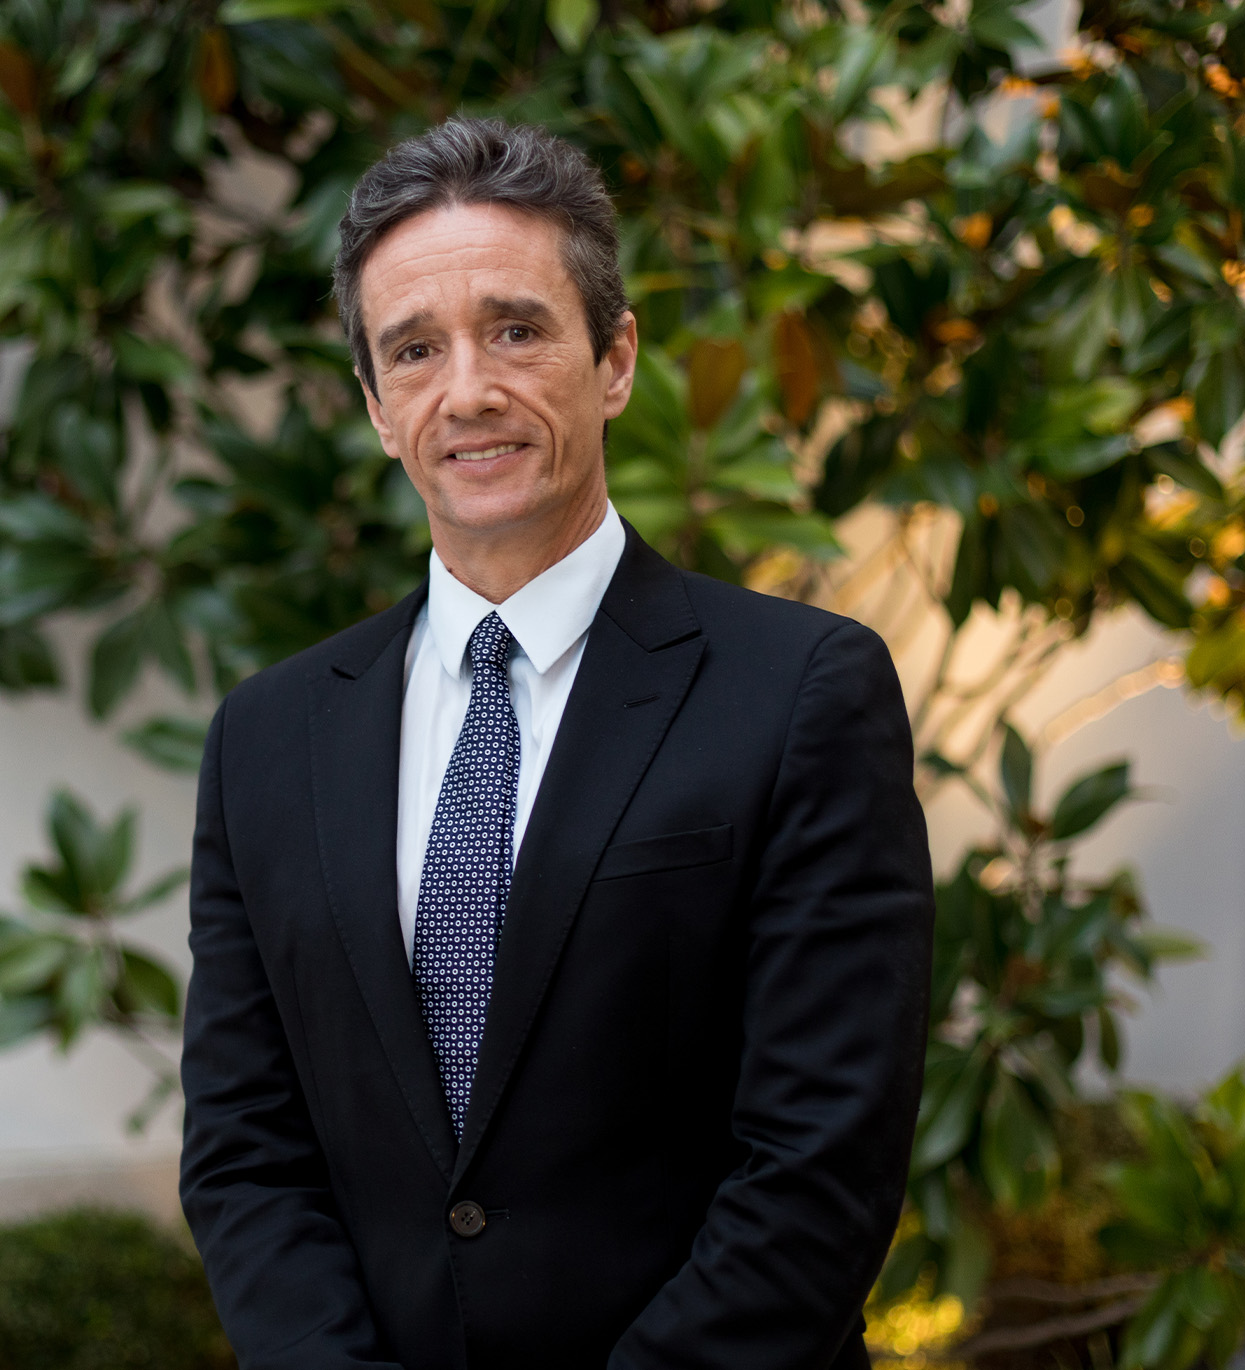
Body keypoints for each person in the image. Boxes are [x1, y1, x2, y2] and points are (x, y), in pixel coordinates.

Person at [178, 117, 933, 1370]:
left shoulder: (802, 690)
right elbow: (245, 1150)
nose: (468, 389)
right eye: (414, 349)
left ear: (614, 359)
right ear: (376, 406)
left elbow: (820, 1165)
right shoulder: (265, 738)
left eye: (516, 330)